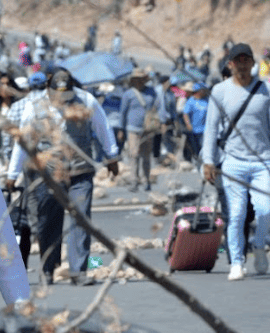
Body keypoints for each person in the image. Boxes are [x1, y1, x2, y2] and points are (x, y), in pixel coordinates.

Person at [5, 69, 120, 286]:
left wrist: (112, 156)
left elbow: (102, 126)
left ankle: (79, 271)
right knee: (48, 219)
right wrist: (13, 173)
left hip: (80, 171)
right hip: (49, 174)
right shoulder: (35, 106)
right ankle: (48, 268)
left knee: (81, 217)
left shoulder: (86, 100)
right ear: (48, 89)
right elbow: (24, 139)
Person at [201, 42, 270, 282]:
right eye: (237, 61)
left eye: (245, 60)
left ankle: (259, 245)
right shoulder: (219, 91)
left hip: (262, 161)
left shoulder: (266, 90)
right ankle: (236, 263)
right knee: (236, 214)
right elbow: (210, 129)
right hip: (232, 162)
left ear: (252, 63)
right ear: (230, 64)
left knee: (265, 209)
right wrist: (208, 161)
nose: (241, 65)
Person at [119, 70, 159, 191]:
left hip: (147, 129)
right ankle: (133, 181)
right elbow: (123, 112)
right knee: (134, 154)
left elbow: (156, 107)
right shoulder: (128, 94)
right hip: (132, 128)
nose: (139, 81)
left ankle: (146, 180)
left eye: (141, 79)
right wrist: (121, 129)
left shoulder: (151, 92)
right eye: (137, 79)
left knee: (146, 156)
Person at [182, 82, 209, 162]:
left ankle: (205, 161)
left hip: (205, 129)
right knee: (196, 147)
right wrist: (188, 124)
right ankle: (198, 161)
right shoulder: (191, 101)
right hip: (194, 129)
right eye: (203, 90)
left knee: (205, 147)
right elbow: (185, 114)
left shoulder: (207, 100)